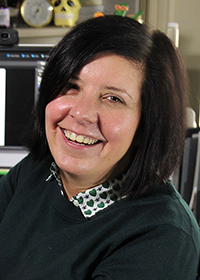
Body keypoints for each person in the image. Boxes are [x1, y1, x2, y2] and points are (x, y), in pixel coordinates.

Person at [0, 15, 199, 280]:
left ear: (148, 124)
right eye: (71, 86)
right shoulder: (36, 169)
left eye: (113, 98)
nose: (81, 113)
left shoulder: (163, 237)